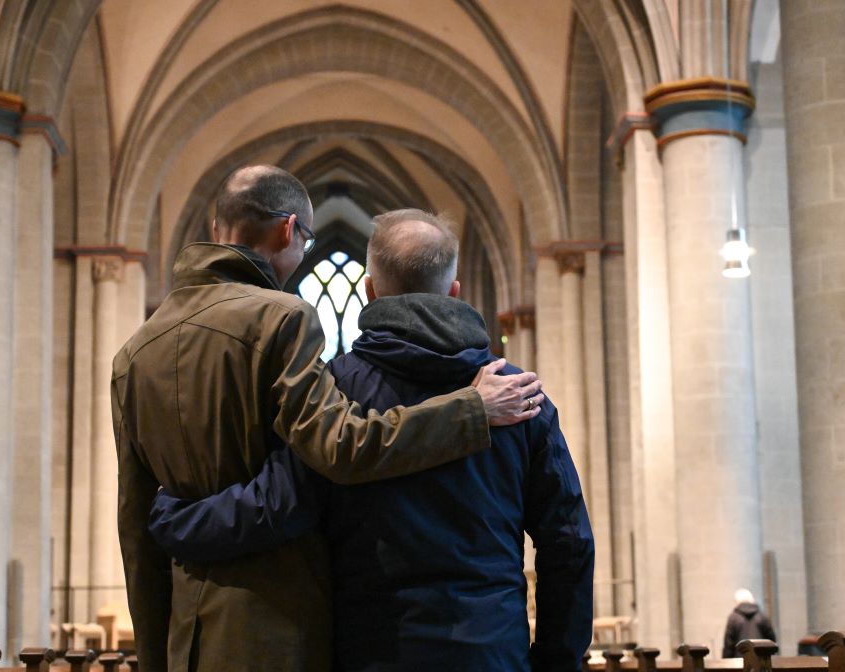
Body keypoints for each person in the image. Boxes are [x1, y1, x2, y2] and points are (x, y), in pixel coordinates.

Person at [112, 169, 544, 672]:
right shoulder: (281, 317)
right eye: (307, 240)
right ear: (287, 230)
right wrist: (472, 409)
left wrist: (155, 655)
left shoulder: (134, 351)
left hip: (187, 637)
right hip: (277, 627)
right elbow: (338, 448)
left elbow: (136, 532)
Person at [722, 588, 777, 657]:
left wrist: (726, 661)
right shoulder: (762, 616)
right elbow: (772, 641)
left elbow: (729, 645)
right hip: (760, 660)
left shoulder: (733, 618)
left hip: (739, 661)